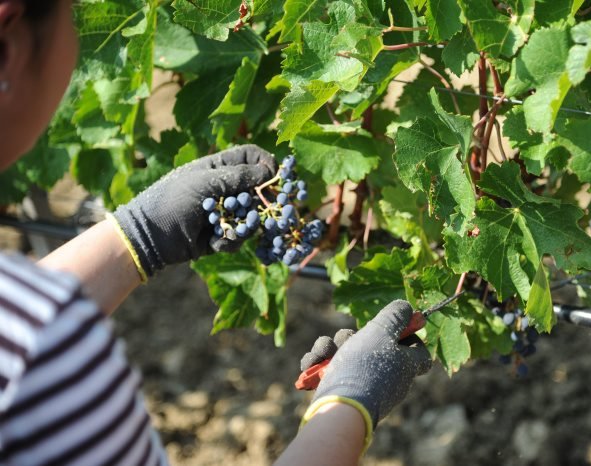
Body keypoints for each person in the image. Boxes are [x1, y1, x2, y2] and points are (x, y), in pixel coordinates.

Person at [0, 1, 432, 465]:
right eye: (73, 13)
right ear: (9, 47)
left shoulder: (32, 338)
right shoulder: (47, 362)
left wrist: (136, 237)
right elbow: (30, 343)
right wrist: (348, 408)